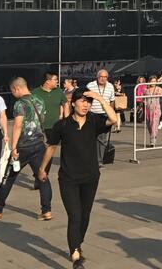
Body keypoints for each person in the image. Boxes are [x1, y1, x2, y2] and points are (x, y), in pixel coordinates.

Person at [38, 87, 119, 268]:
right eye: (82, 101)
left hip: (90, 177)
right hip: (68, 178)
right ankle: (75, 255)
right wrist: (42, 169)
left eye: (88, 102)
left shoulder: (94, 121)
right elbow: (51, 147)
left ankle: (77, 242)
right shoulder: (62, 125)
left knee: (85, 215)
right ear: (73, 103)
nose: (86, 105)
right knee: (75, 215)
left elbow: (114, 119)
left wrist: (100, 99)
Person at [0, 77, 53, 222]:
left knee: (8, 178)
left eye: (12, 91)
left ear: (17, 88)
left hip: (23, 147)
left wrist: (14, 147)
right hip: (39, 144)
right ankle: (46, 210)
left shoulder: (20, 104)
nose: (13, 94)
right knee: (42, 176)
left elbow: (18, 125)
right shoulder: (39, 99)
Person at [31, 71, 67, 187]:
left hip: (54, 127)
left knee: (49, 152)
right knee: (38, 152)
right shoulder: (35, 93)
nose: (57, 82)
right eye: (55, 80)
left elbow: (65, 104)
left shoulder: (59, 92)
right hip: (38, 127)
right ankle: (37, 172)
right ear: (47, 81)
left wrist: (66, 120)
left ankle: (43, 175)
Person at [86, 69, 115, 165]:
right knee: (90, 138)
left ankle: (99, 161)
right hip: (92, 114)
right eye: (101, 77)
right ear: (97, 77)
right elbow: (86, 100)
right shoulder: (90, 85)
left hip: (104, 115)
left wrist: (111, 113)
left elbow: (112, 101)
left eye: (105, 77)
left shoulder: (110, 86)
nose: (103, 79)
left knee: (102, 139)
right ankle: (89, 159)